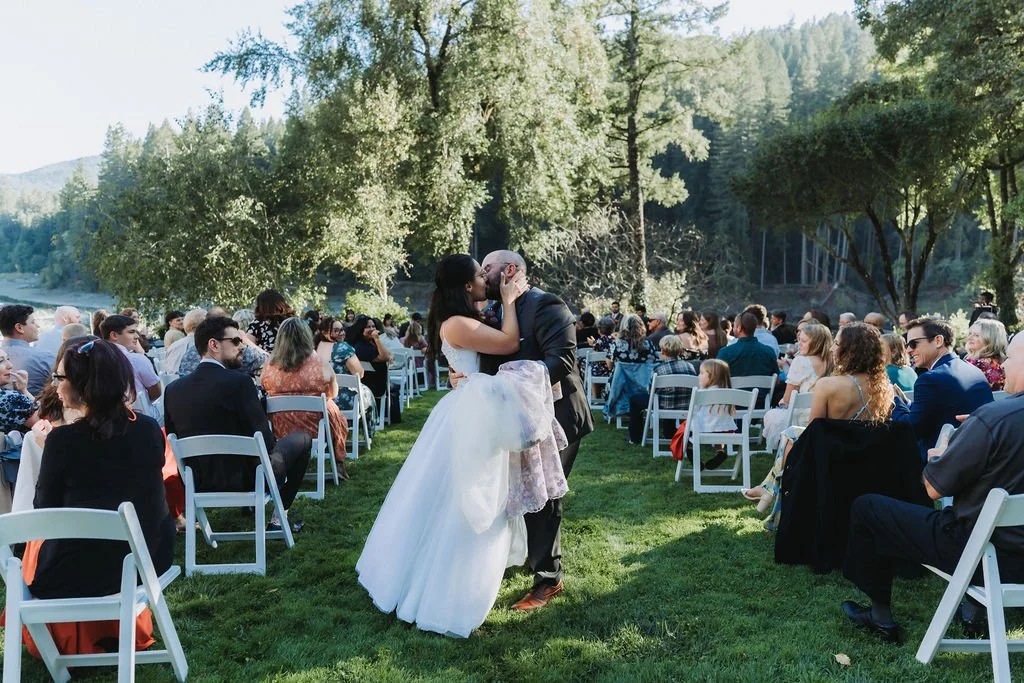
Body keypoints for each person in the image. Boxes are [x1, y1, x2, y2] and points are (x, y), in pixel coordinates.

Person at [358, 253, 568, 637]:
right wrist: (507, 302)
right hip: (473, 415)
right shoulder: (456, 322)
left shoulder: (465, 317)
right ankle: (451, 584)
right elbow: (506, 344)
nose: (485, 280)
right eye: (478, 275)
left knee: (478, 494)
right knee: (468, 498)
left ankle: (487, 569)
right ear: (466, 285)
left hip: (479, 411)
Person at [840, 330, 1024, 644]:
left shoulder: (994, 419)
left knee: (868, 507)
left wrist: (949, 450)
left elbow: (933, 489)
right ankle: (976, 607)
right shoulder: (992, 419)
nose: (1003, 364)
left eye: (1009, 357)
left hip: (986, 554)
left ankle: (880, 616)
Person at [13, 338, 174, 658]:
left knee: (30, 548)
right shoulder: (147, 428)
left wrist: (51, 451)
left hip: (73, 573)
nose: (55, 386)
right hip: (147, 560)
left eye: (60, 378)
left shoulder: (62, 441)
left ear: (83, 385)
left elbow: (44, 511)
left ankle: (63, 643)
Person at [476, 249, 592, 612]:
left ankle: (548, 579)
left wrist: (510, 383)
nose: (482, 275)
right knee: (520, 492)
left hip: (556, 416)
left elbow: (561, 360)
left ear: (510, 270)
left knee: (543, 497)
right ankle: (529, 557)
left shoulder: (547, 305)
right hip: (513, 418)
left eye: (487, 269)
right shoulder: (496, 311)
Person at [163, 317, 311, 531]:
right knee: (302, 438)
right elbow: (266, 442)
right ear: (213, 345)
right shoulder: (239, 383)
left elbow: (174, 437)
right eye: (235, 341)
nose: (242, 346)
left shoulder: (173, 390)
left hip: (199, 482)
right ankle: (279, 518)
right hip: (249, 479)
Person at [892, 317, 993, 461]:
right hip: (978, 456)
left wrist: (893, 401)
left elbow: (910, 431)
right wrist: (907, 404)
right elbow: (939, 412)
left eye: (914, 344)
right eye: (907, 345)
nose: (908, 350)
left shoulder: (930, 379)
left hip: (942, 465)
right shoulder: (974, 371)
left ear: (938, 341)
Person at [262, 318, 349, 469]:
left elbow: (263, 387)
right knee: (330, 406)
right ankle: (338, 464)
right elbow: (333, 393)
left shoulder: (269, 366)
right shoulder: (320, 364)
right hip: (314, 428)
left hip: (280, 428)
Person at [760, 322, 833, 451]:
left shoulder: (801, 361)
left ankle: (785, 457)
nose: (799, 343)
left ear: (816, 343)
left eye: (804, 341)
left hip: (804, 419)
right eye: (799, 340)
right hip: (828, 416)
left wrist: (783, 401)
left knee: (772, 415)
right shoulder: (832, 362)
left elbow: (787, 399)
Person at [626, 335, 695, 445]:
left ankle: (635, 437)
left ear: (662, 351)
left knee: (635, 399)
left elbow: (650, 391)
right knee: (670, 396)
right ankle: (669, 432)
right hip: (686, 405)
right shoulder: (690, 367)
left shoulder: (659, 370)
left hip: (663, 405)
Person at [671, 359, 735, 470]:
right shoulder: (730, 393)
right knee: (718, 425)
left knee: (684, 431)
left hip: (702, 429)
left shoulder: (701, 393)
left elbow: (694, 412)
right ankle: (720, 451)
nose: (698, 376)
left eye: (701, 373)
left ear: (712, 376)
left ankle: (690, 450)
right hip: (725, 431)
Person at [99, 315, 162, 421]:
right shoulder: (136, 359)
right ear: (114, 335)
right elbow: (156, 391)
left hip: (105, 419)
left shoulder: (95, 359)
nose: (137, 336)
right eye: (131, 332)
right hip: (140, 417)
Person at [349, 315, 402, 425]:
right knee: (394, 387)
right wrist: (377, 339)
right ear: (361, 329)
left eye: (373, 326)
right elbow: (385, 357)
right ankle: (392, 418)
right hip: (374, 385)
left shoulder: (368, 343)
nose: (372, 329)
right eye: (368, 327)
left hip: (370, 382)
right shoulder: (361, 346)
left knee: (393, 387)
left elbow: (387, 354)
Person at [0, 305, 54, 396]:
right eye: (33, 322)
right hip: (38, 407)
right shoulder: (45, 358)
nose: (38, 326)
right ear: (19, 328)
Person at [716, 312, 778, 385]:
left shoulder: (725, 352)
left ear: (739, 328)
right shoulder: (769, 351)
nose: (733, 328)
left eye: (734, 326)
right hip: (761, 396)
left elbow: (716, 380)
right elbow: (776, 381)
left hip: (732, 395)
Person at [963, 318, 1008, 391]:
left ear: (990, 339)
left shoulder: (979, 364)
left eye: (976, 335)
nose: (970, 338)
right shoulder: (1002, 362)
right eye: (970, 334)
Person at [247, 289, 295, 353]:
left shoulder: (256, 324)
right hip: (292, 360)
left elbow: (248, 348)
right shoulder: (292, 322)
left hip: (266, 361)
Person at [163, 308, 207, 374]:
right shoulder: (201, 346)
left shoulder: (174, 344)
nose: (181, 322)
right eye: (178, 320)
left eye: (182, 319)